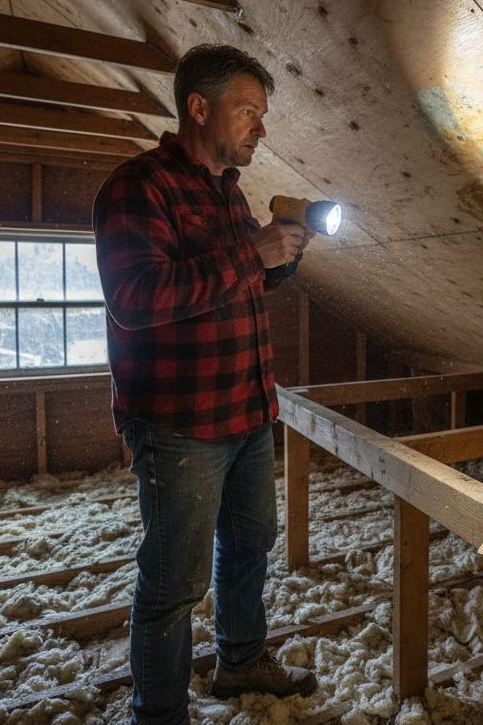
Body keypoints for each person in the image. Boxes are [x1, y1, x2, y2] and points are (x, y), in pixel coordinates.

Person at [93, 44, 316, 724]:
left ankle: (240, 660)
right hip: (179, 422)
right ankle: (157, 713)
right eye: (248, 110)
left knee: (250, 544)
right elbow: (135, 298)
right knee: (172, 584)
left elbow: (229, 285)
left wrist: (280, 259)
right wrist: (253, 251)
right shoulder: (139, 187)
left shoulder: (227, 190)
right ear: (199, 107)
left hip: (247, 407)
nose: (261, 126)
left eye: (262, 113)